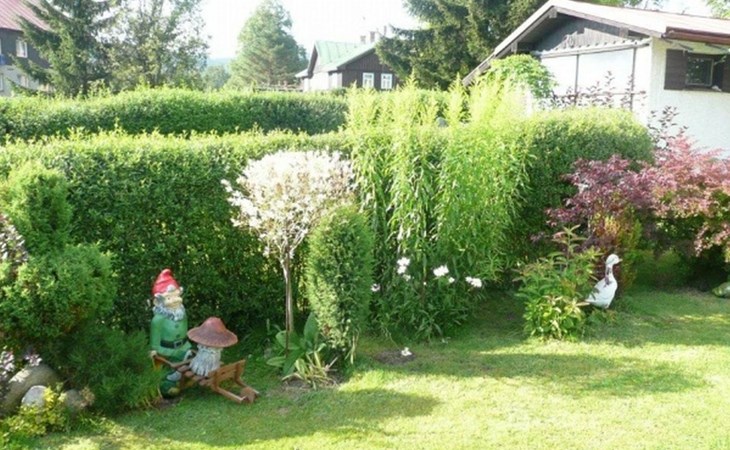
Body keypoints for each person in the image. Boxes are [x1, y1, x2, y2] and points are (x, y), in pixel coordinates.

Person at [149, 268, 192, 397]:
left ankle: (184, 378)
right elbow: (155, 346)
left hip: (184, 347)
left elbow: (185, 332)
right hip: (168, 352)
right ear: (158, 301)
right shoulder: (158, 320)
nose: (175, 300)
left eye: (177, 296)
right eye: (169, 298)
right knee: (169, 372)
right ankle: (168, 385)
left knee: (192, 359)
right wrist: (168, 352)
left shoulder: (182, 314)